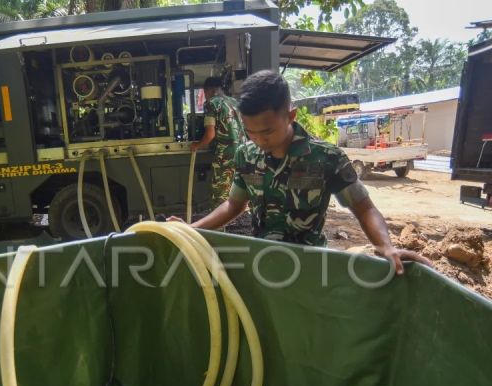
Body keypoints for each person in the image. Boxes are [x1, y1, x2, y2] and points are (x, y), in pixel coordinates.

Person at [174, 70, 430, 275]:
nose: (259, 140)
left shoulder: (327, 158)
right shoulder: (246, 155)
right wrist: (192, 229)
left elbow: (364, 208)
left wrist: (385, 246)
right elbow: (234, 205)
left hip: (310, 269)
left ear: (291, 116)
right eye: (250, 132)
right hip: (262, 264)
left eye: (267, 131)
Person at [192, 77, 247, 203]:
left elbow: (210, 134)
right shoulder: (235, 103)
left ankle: (220, 215)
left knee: (220, 194)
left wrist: (197, 145)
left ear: (208, 90)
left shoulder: (211, 104)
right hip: (242, 153)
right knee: (239, 192)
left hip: (225, 156)